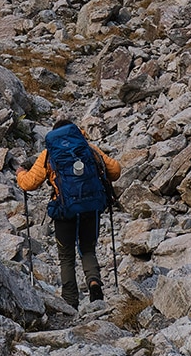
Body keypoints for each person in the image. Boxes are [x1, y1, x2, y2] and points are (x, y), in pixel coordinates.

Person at [16, 117, 121, 310]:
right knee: (88, 249)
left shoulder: (50, 153)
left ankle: (70, 301)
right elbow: (115, 170)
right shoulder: (88, 148)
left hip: (64, 211)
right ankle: (94, 284)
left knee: (66, 256)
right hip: (91, 207)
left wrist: (20, 173)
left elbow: (29, 183)